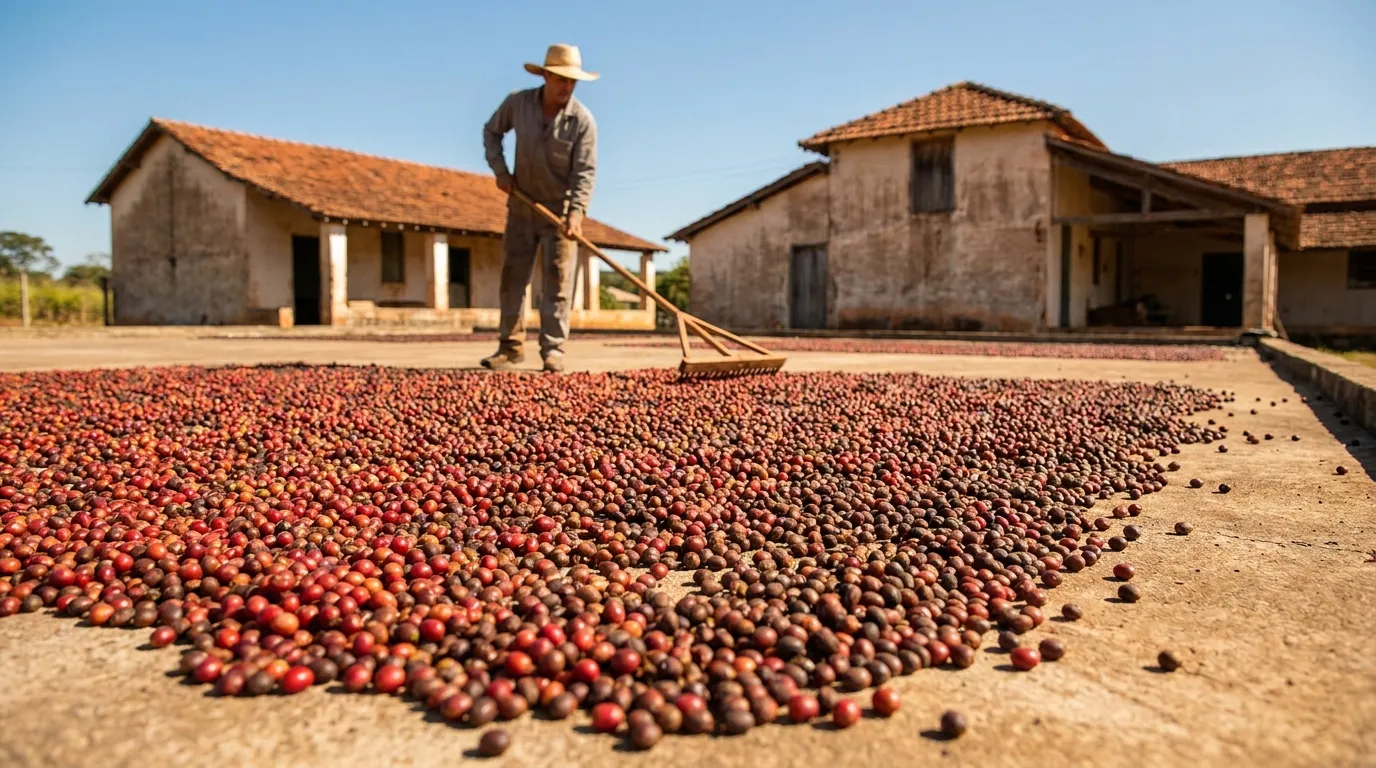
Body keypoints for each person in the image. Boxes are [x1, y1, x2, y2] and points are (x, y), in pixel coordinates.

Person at [480, 43, 599, 373]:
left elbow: (585, 172)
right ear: (545, 75)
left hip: (558, 213)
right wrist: (501, 172)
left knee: (558, 282)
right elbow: (491, 132)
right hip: (521, 204)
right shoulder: (518, 104)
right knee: (513, 277)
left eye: (572, 81)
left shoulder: (582, 121)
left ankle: (553, 349)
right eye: (561, 79)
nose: (567, 86)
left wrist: (576, 213)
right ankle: (510, 347)